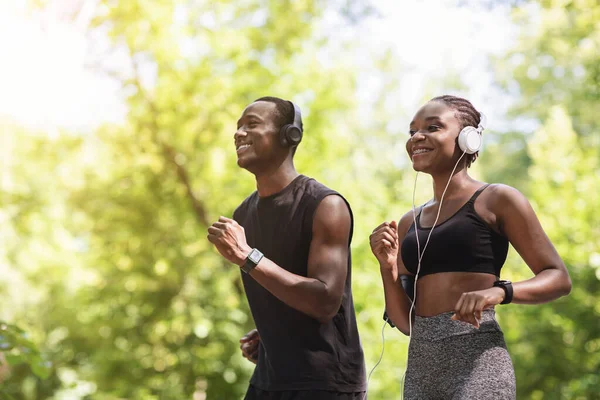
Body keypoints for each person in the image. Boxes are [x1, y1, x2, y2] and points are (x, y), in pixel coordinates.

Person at [369, 95, 572, 399]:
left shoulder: (497, 199)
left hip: (478, 362)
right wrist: (387, 266)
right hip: (421, 369)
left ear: (469, 139)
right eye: (412, 132)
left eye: (433, 127)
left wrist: (500, 292)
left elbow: (558, 278)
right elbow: (405, 323)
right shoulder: (409, 222)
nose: (417, 137)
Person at [207, 96, 366, 400]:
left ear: (288, 135)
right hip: (268, 379)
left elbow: (324, 302)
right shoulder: (244, 215)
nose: (239, 133)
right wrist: (273, 332)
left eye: (251, 124)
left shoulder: (325, 205)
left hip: (326, 384)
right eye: (238, 127)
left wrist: (247, 256)